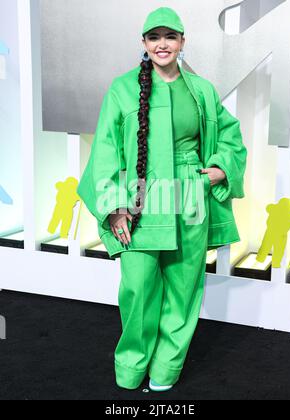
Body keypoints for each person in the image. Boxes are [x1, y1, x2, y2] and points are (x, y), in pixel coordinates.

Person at [77, 7, 247, 392]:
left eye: (170, 37)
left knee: (184, 288)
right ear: (144, 43)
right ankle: (131, 367)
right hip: (140, 198)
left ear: (182, 42)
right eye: (154, 37)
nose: (162, 44)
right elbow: (103, 151)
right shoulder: (122, 89)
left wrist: (221, 166)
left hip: (190, 196)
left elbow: (229, 135)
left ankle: (166, 369)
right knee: (137, 287)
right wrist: (114, 207)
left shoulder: (201, 89)